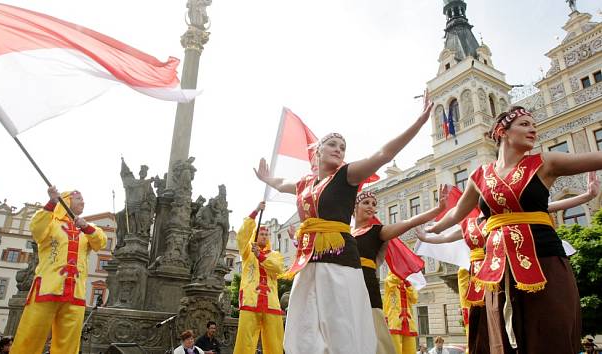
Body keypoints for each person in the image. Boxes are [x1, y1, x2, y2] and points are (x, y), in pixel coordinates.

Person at [255, 92, 433, 354]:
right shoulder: (305, 184)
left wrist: (418, 123)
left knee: (341, 325)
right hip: (309, 259)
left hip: (340, 260)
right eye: (333, 145)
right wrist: (267, 180)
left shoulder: (347, 175)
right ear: (317, 151)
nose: (339, 149)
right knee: (303, 325)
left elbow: (384, 154)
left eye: (342, 147)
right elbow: (283, 185)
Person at [426, 106, 602, 353]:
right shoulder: (480, 176)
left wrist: (586, 196)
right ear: (502, 131)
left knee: (551, 329)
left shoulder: (544, 162)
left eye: (534, 125)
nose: (533, 130)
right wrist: (429, 229)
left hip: (544, 259)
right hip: (498, 268)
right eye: (525, 124)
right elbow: (457, 214)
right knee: (503, 337)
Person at [417, 172, 598, 354]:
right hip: (481, 279)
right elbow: (447, 237)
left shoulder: (505, 212)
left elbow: (548, 207)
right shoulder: (470, 224)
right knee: (484, 322)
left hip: (507, 269)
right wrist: (428, 236)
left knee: (521, 316)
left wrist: (587, 196)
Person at [11, 186, 107, 354]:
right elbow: (36, 228)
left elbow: (101, 242)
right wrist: (51, 203)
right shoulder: (51, 222)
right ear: (67, 201)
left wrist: (86, 226)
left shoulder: (86, 228)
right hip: (47, 288)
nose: (83, 201)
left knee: (69, 343)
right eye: (79, 198)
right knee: (31, 335)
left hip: (75, 292)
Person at [353, 187, 448, 354]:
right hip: (346, 285)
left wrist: (438, 209)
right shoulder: (345, 233)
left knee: (375, 338)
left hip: (367, 288)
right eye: (365, 202)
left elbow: (409, 222)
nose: (370, 206)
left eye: (374, 204)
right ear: (354, 207)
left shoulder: (378, 231)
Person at [233, 202, 284, 354]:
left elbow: (277, 268)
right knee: (245, 341)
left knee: (275, 341)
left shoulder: (275, 255)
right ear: (256, 235)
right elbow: (242, 235)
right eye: (261, 234)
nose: (264, 236)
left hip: (272, 304)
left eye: (266, 234)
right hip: (250, 300)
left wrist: (260, 256)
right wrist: (255, 212)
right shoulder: (247, 252)